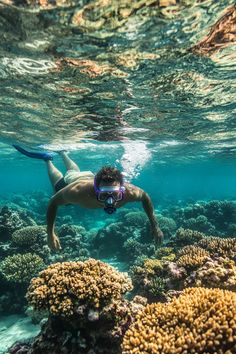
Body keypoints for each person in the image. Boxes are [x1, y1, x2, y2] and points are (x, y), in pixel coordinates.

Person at [13, 145, 164, 251]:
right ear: (96, 189)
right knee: (62, 179)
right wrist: (50, 233)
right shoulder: (78, 191)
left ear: (121, 189)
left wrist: (155, 225)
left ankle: (63, 153)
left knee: (74, 169)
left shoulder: (129, 192)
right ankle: (48, 160)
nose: (110, 199)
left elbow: (145, 197)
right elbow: (53, 202)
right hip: (75, 180)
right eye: (104, 193)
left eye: (115, 193)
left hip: (89, 176)